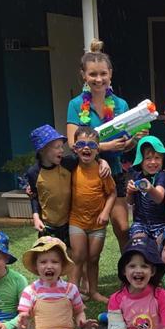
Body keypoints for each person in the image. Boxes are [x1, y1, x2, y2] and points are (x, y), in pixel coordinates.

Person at [67, 38, 146, 250]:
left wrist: (134, 140)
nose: (98, 79)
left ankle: (128, 273)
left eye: (103, 73)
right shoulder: (75, 105)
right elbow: (72, 143)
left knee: (122, 227)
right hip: (85, 175)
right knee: (85, 229)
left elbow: (125, 145)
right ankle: (83, 280)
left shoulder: (121, 105)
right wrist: (104, 148)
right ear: (83, 75)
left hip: (116, 172)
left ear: (110, 73)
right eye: (93, 74)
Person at [26, 124, 111, 247]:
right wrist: (36, 217)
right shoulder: (33, 173)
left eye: (62, 146)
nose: (61, 150)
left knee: (71, 258)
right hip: (47, 225)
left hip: (68, 223)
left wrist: (103, 161)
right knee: (50, 257)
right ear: (42, 149)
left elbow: (87, 156)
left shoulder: (67, 163)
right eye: (57, 147)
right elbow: (34, 196)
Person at [68, 126, 117, 303]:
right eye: (81, 143)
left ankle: (93, 291)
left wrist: (106, 212)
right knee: (78, 256)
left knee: (93, 258)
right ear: (75, 148)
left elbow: (112, 193)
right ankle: (73, 294)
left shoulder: (102, 170)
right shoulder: (70, 167)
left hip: (97, 221)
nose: (86, 148)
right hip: (77, 220)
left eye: (91, 144)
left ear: (98, 148)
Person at [126, 136, 165, 241]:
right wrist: (129, 192)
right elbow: (130, 202)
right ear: (140, 161)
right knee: (139, 243)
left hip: (161, 224)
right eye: (148, 158)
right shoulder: (137, 176)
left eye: (157, 158)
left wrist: (150, 188)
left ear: (162, 160)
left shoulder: (162, 175)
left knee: (163, 242)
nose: (153, 162)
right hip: (140, 224)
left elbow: (159, 198)